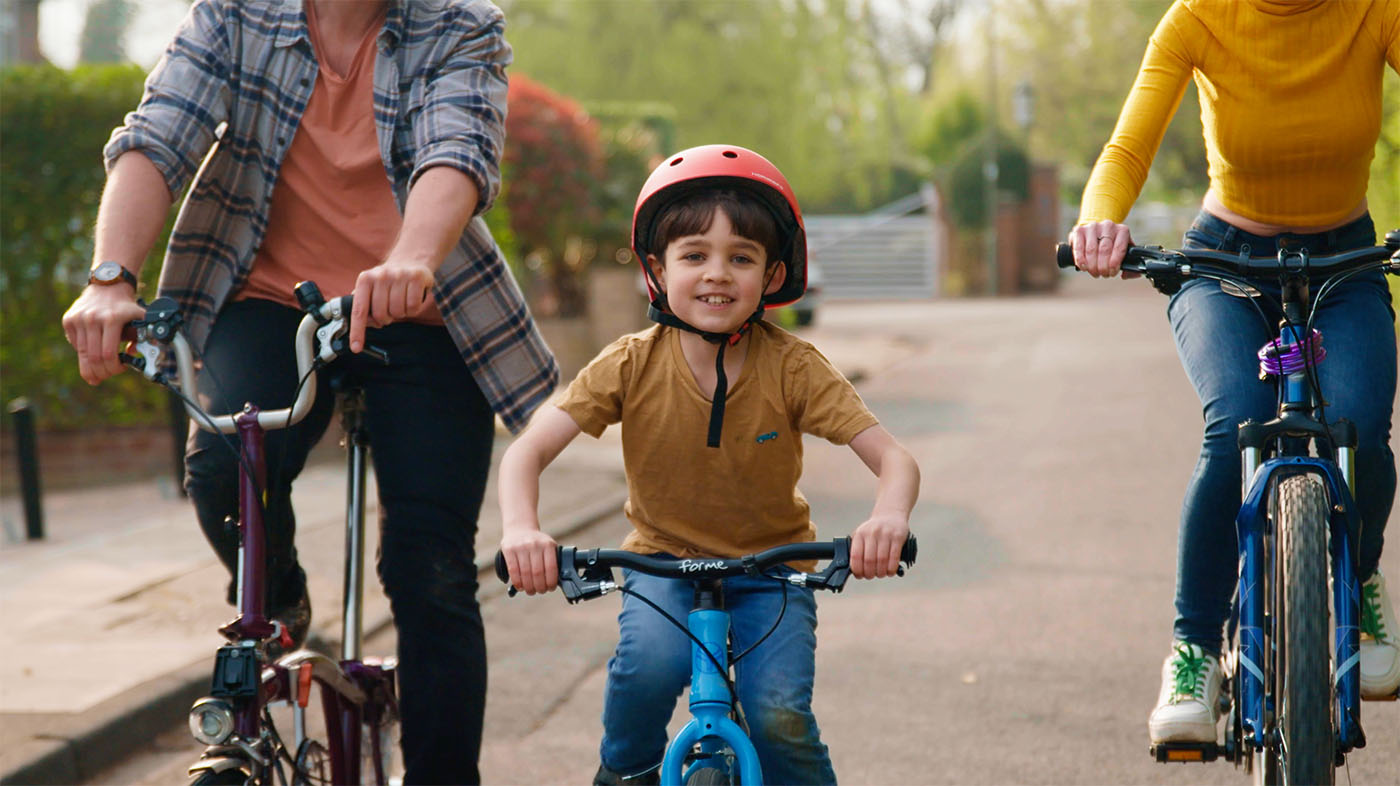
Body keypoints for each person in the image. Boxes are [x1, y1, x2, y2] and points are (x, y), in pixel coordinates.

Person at [60, 1, 557, 782]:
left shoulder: (458, 24)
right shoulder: (235, 17)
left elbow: (456, 151)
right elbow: (157, 134)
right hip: (269, 299)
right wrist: (111, 280)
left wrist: (413, 257)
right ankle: (281, 598)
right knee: (224, 467)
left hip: (416, 308)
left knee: (431, 571)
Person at [497, 145, 920, 785]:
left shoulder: (794, 367)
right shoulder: (630, 362)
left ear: (773, 276)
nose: (717, 274)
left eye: (741, 258)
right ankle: (626, 775)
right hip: (661, 561)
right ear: (658, 271)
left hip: (773, 571)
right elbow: (527, 451)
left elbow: (894, 459)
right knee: (647, 670)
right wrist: (521, 529)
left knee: (778, 714)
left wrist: (886, 519)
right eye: (694, 255)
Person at [1068, 0, 1400, 744]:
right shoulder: (1198, 18)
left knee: (1359, 429)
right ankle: (1192, 650)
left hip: (1343, 265)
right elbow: (1127, 149)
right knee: (1236, 427)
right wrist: (1100, 219)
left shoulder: (1375, 10)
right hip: (1225, 263)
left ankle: (1363, 578)